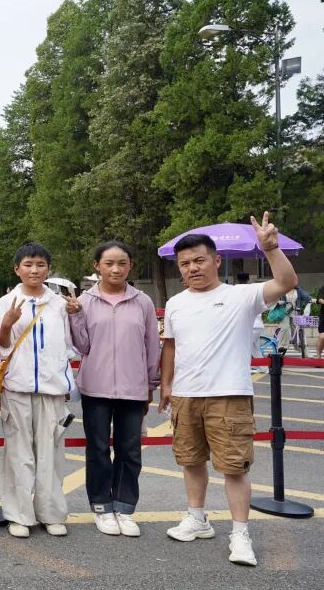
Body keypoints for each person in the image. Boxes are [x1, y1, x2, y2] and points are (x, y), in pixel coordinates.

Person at [159, 212, 298, 567]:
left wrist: (271, 248)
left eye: (199, 260)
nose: (192, 268)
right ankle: (197, 518)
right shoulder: (176, 303)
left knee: (234, 468)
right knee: (190, 461)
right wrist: (167, 385)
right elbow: (171, 347)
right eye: (185, 263)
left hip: (229, 394)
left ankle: (240, 533)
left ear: (216, 260)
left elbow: (285, 281)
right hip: (186, 395)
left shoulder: (242, 296)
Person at [66, 242, 159, 538]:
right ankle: (102, 507)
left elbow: (151, 347)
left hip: (134, 387)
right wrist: (76, 315)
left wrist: (151, 386)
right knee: (97, 449)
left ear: (130, 264)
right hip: (96, 386)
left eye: (122, 263)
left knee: (130, 450)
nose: (116, 269)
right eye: (109, 263)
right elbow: (81, 346)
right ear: (97, 266)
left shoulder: (142, 301)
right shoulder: (85, 300)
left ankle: (124, 507)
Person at [0, 242, 76, 539]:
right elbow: (0, 345)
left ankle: (51, 513)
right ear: (17, 269)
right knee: (18, 454)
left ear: (48, 269)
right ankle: (19, 515)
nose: (34, 270)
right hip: (17, 387)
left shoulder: (60, 304)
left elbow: (70, 345)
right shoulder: (8, 302)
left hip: (52, 389)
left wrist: (75, 314)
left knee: (51, 453)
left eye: (40, 264)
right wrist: (6, 324)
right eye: (28, 264)